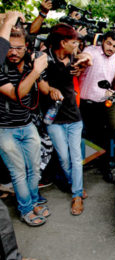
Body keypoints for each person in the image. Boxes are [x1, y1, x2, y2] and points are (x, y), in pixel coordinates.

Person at [0, 22, 53, 228]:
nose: (13, 52)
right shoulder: (0, 67)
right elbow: (17, 94)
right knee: (19, 172)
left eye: (19, 48)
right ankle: (26, 209)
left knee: (35, 170)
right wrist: (34, 72)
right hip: (5, 129)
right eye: (9, 47)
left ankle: (32, 201)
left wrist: (37, 69)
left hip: (27, 124)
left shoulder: (32, 65)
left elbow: (46, 90)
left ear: (26, 48)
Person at [44, 24, 92, 216]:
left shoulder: (73, 57)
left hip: (74, 117)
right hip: (54, 118)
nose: (77, 45)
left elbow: (89, 58)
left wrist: (83, 63)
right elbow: (40, 83)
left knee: (76, 157)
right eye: (74, 42)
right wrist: (50, 90)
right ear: (63, 42)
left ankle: (77, 196)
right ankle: (75, 184)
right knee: (64, 159)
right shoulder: (44, 58)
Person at [78, 30, 115, 183]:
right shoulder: (92, 51)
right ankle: (80, 168)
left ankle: (106, 167)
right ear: (103, 41)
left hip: (104, 102)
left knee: (112, 130)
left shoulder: (114, 56)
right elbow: (84, 56)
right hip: (85, 103)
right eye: (108, 44)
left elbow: (111, 71)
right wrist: (82, 59)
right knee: (84, 136)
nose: (111, 48)